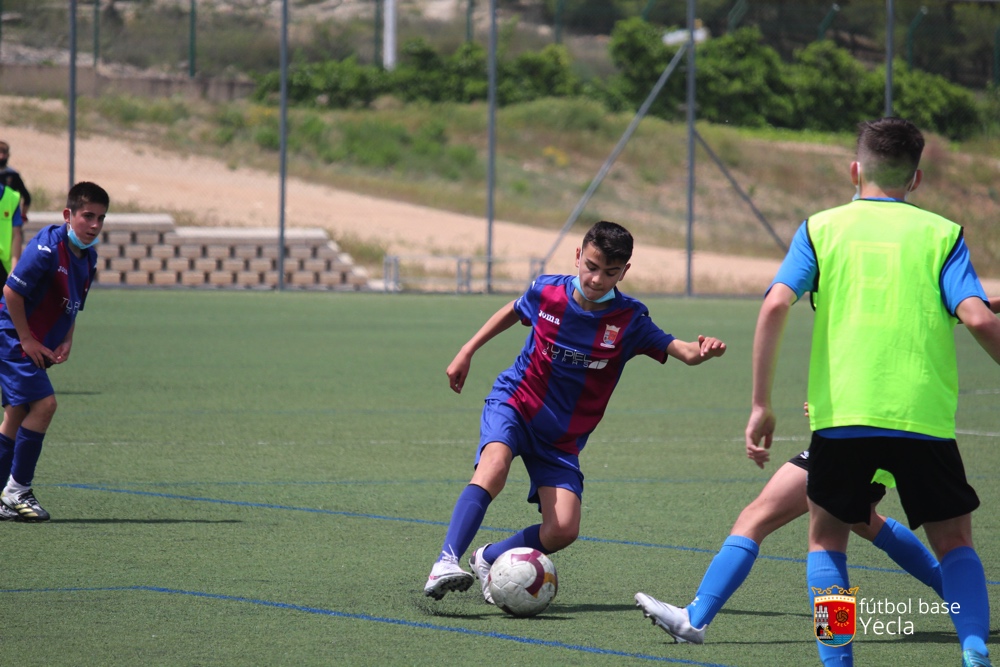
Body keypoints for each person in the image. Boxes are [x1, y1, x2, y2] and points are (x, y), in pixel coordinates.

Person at [742, 118, 1000, 667]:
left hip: (843, 418)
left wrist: (762, 402)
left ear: (854, 170)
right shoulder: (943, 234)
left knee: (827, 543)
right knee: (954, 542)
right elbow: (978, 318)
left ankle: (839, 663)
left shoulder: (820, 228)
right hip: (923, 417)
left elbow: (772, 306)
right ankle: (975, 650)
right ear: (917, 179)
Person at [423, 220, 727, 602]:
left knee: (563, 529)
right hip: (516, 402)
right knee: (494, 467)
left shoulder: (630, 320)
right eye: (592, 266)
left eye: (611, 272)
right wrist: (467, 350)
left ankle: (488, 556)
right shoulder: (547, 290)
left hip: (561, 438)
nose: (598, 278)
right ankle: (445, 561)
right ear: (578, 256)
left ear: (625, 272)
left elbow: (680, 350)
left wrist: (702, 351)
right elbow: (515, 310)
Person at [635, 449, 943, 644]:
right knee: (861, 522)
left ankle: (695, 618)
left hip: (856, 439)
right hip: (864, 441)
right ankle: (953, 590)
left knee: (791, 529)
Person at [0, 181, 109, 522]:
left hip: (38, 342)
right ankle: (17, 490)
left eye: (101, 218)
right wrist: (27, 340)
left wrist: (67, 339)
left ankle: (3, 494)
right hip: (13, 337)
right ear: (68, 214)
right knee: (45, 405)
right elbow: (11, 293)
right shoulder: (46, 247)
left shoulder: (88, 257)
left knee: (16, 415)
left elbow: (73, 305)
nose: (93, 225)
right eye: (87, 216)